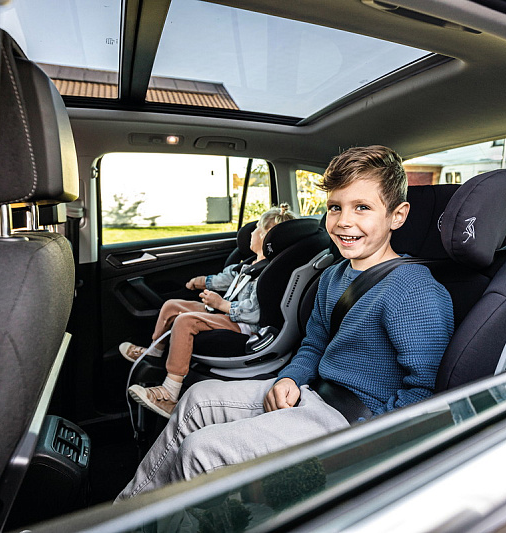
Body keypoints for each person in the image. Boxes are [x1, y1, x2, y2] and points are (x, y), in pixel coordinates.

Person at [115, 145, 454, 502]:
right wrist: (290, 378)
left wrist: (357, 445)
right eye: (335, 207)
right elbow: (314, 344)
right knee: (196, 399)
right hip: (314, 393)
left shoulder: (414, 290)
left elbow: (425, 391)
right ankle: (126, 511)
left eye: (362, 208)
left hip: (350, 421)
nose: (343, 221)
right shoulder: (334, 276)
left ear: (397, 216)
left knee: (201, 450)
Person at [120, 204, 297, 418]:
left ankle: (169, 394)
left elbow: (254, 313)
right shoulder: (250, 264)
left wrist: (222, 305)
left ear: (267, 236)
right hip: (226, 312)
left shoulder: (268, 274)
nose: (251, 232)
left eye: (257, 228)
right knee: (172, 306)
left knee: (185, 321)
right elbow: (227, 278)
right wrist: (203, 281)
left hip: (243, 324)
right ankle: (154, 352)